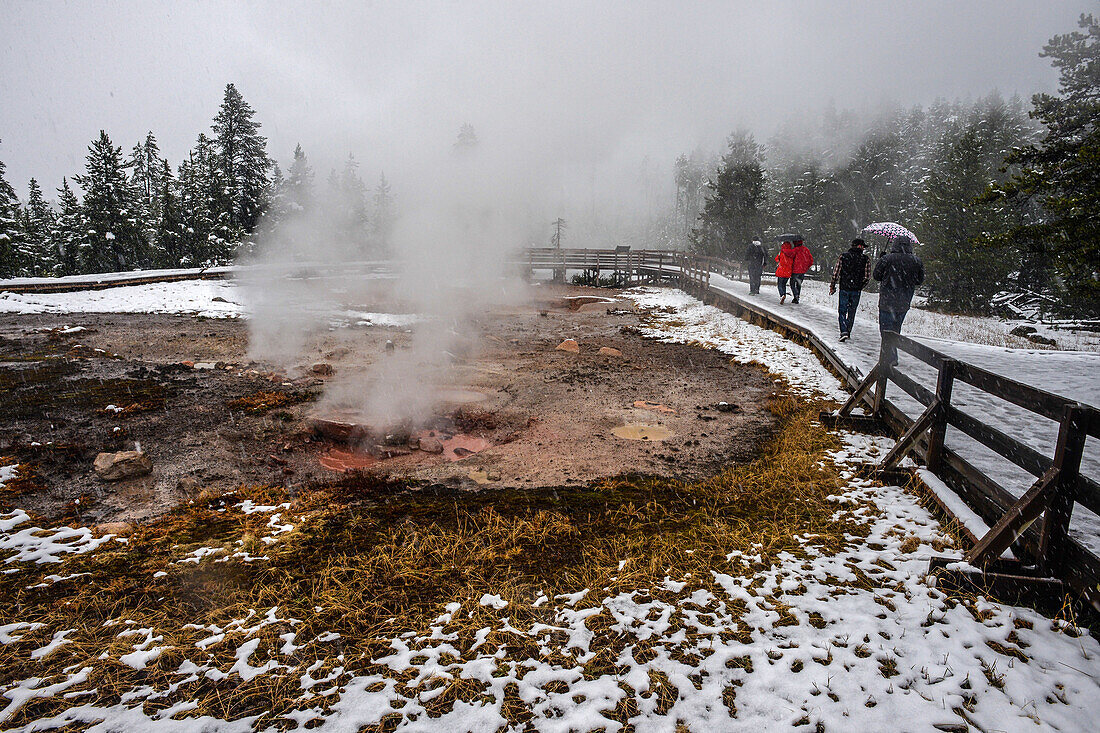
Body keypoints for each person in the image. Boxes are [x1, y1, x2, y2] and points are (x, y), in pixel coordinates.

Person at [873, 235, 925, 365]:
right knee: (896, 330)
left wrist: (882, 260)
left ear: (894, 244)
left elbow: (876, 276)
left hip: (887, 300)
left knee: (885, 331)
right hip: (904, 301)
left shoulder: (887, 259)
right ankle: (891, 356)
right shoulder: (916, 261)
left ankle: (889, 358)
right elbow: (919, 280)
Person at [829, 238, 871, 342]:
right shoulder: (865, 259)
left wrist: (833, 285)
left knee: (842, 310)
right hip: (856, 289)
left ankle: (843, 331)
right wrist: (860, 286)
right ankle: (848, 330)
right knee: (852, 311)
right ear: (861, 247)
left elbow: (836, 272)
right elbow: (867, 277)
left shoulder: (843, 256)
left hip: (844, 287)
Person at [789, 238, 813, 304]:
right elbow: (811, 260)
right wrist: (806, 267)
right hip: (802, 271)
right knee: (799, 284)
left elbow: (790, 256)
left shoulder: (795, 250)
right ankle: (797, 297)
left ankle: (796, 296)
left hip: (795, 270)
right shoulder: (806, 250)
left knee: (792, 284)